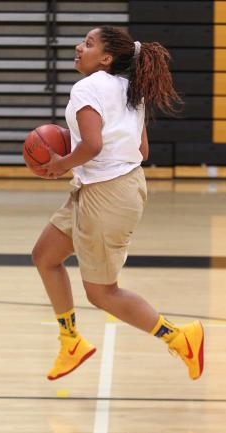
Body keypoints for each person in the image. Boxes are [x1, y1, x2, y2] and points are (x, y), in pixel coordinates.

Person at [32, 26, 204, 382]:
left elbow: (92, 146)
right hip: (110, 186)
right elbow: (142, 151)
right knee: (46, 256)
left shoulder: (86, 89)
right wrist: (79, 148)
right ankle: (71, 342)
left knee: (102, 292)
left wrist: (60, 162)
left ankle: (181, 338)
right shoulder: (132, 91)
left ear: (106, 58)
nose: (80, 48)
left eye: (89, 44)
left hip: (107, 195)